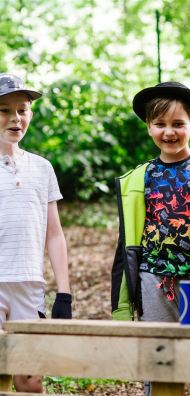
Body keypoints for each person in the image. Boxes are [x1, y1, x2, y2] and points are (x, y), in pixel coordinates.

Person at [111, 81, 190, 395]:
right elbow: (126, 240)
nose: (169, 132)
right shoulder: (139, 178)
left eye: (178, 124)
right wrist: (120, 299)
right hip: (153, 279)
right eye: (160, 124)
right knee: (160, 356)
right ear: (148, 127)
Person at [0, 73, 72, 393]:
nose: (15, 118)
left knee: (30, 380)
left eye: (23, 109)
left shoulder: (42, 167)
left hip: (29, 285)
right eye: (4, 110)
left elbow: (54, 235)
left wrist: (65, 293)